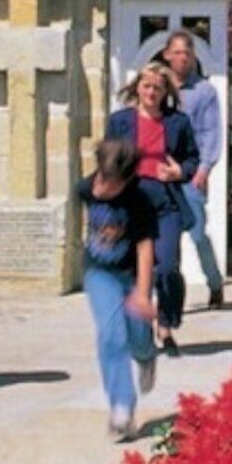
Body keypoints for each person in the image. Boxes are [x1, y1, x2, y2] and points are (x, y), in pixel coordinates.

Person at [75, 134, 162, 437]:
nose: (103, 187)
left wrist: (142, 294)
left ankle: (146, 356)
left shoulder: (140, 200)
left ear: (127, 180)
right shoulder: (85, 188)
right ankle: (121, 406)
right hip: (100, 272)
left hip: (133, 275)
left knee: (138, 335)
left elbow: (145, 249)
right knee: (111, 335)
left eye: (111, 183)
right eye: (101, 178)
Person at [107, 60, 198, 349]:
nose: (151, 92)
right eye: (146, 86)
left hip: (166, 204)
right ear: (137, 88)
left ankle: (166, 322)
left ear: (165, 92)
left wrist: (179, 171)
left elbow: (192, 159)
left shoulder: (178, 122)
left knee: (167, 268)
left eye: (157, 88)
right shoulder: (120, 122)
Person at [161, 30, 226, 307]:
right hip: (162, 173)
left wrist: (204, 170)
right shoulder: (158, 87)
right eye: (177, 53)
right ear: (167, 55)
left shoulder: (204, 91)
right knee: (167, 237)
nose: (182, 58)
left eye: (187, 53)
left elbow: (211, 132)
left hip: (190, 174)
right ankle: (171, 295)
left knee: (197, 233)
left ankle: (215, 283)